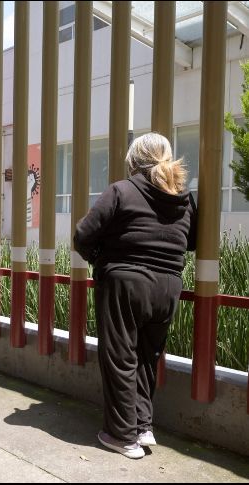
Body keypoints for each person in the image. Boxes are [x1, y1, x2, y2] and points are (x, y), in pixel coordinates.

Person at [73, 133, 196, 459]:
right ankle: (142, 426)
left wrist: (100, 258)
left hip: (125, 283)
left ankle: (122, 436)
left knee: (120, 358)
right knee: (147, 357)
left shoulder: (121, 190)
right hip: (168, 287)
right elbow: (192, 240)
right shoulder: (184, 198)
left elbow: (83, 234)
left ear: (134, 160)